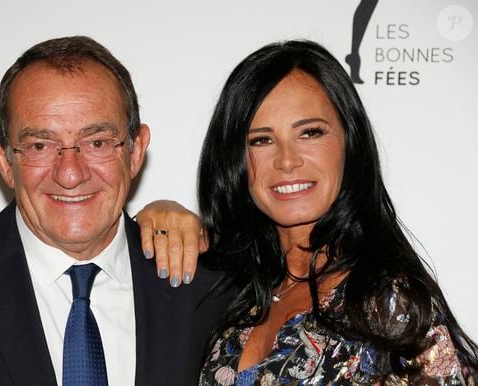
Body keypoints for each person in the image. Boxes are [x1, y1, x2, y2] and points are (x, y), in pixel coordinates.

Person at [138, 40, 478, 384]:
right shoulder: (231, 292)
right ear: (235, 160)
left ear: (350, 140)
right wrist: (158, 214)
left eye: (310, 133)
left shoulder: (388, 304)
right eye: (261, 140)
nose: (287, 160)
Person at [0, 36, 230, 386]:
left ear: (135, 151)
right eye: (40, 145)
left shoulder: (212, 288)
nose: (70, 174)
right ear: (4, 159)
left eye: (97, 142)